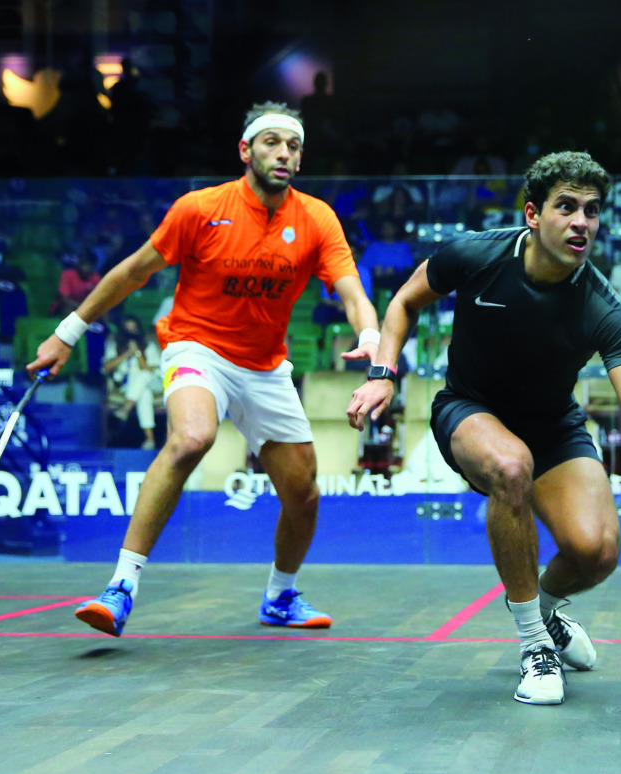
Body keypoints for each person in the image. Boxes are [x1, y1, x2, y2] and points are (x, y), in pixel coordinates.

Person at [346, 151, 621, 706]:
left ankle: (547, 611)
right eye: (566, 207)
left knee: (596, 552)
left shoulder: (605, 310)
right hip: (470, 408)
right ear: (533, 214)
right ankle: (535, 643)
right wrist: (384, 373)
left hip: (554, 426)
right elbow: (406, 302)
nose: (582, 221)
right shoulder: (475, 254)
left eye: (591, 210)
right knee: (511, 466)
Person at [27, 102, 380, 636]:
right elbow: (132, 273)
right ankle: (121, 585)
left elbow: (352, 292)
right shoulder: (199, 208)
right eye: (271, 142)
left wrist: (372, 341)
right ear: (245, 150)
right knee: (193, 438)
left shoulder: (317, 219)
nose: (283, 153)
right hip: (198, 348)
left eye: (293, 146)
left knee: (304, 493)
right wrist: (66, 333)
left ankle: (280, 597)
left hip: (264, 367)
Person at [103, 316, 161, 449]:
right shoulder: (115, 346)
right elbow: (106, 367)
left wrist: (138, 353)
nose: (131, 332)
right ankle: (149, 439)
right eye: (128, 329)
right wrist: (127, 354)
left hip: (151, 383)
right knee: (144, 394)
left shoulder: (149, 346)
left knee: (143, 375)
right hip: (127, 386)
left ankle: (125, 408)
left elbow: (148, 369)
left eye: (134, 328)